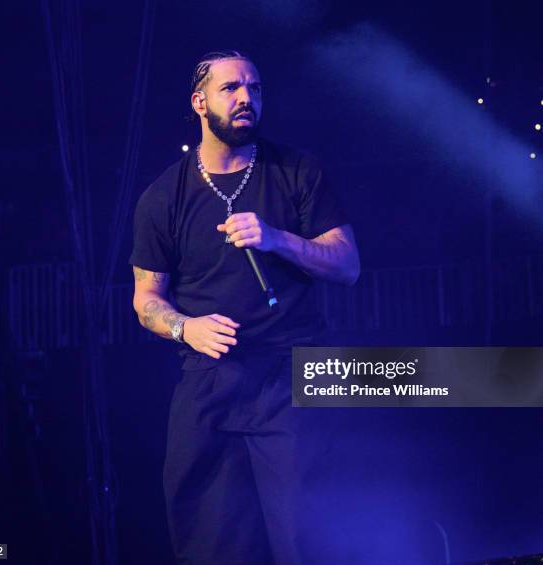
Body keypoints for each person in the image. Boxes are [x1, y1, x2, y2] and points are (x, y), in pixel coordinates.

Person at [130, 50, 359, 565]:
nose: (245, 99)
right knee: (214, 546)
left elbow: (347, 265)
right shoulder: (164, 197)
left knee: (307, 541)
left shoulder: (297, 172)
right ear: (199, 101)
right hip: (211, 382)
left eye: (254, 89)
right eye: (230, 88)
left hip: (294, 375)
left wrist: (278, 238)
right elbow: (146, 300)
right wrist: (186, 328)